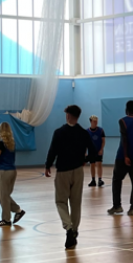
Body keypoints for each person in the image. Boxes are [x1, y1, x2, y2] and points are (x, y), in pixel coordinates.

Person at [45, 105, 93, 249]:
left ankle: (68, 228)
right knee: (76, 202)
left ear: (68, 115)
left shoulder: (59, 132)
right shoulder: (83, 133)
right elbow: (93, 150)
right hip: (78, 170)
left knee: (61, 201)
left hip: (63, 171)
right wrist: (85, 160)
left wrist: (48, 165)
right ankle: (75, 230)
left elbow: (53, 150)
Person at [108, 100, 133, 216]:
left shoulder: (122, 121)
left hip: (123, 155)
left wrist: (125, 156)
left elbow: (125, 139)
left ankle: (117, 206)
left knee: (116, 179)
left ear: (127, 109)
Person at [0, 121, 25, 227]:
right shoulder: (12, 143)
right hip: (12, 171)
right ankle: (18, 211)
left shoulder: (1, 144)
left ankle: (6, 219)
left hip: (4, 172)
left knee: (3, 196)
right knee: (6, 195)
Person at [87, 115, 106, 187]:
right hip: (91, 151)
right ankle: (93, 180)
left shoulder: (101, 130)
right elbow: (85, 142)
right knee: (92, 164)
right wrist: (85, 152)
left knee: (99, 164)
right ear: (91, 122)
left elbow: (103, 141)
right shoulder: (87, 131)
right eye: (94, 121)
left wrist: (101, 149)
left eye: (96, 121)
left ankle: (100, 179)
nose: (96, 123)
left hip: (98, 150)